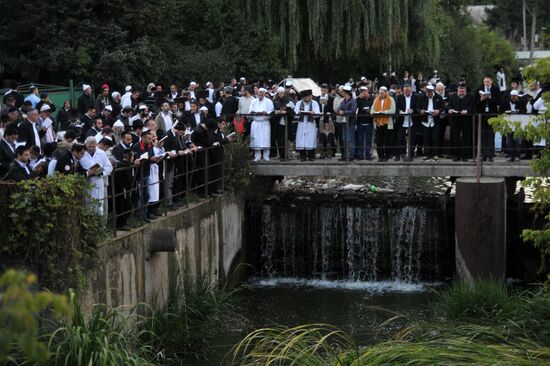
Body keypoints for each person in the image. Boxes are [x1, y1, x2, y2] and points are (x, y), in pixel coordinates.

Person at [80, 136, 113, 216]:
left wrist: (101, 172)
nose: (91, 148)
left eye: (93, 146)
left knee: (99, 204)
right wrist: (87, 173)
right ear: (86, 145)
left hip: (98, 181)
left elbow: (109, 167)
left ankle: (99, 224)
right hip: (86, 182)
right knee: (87, 204)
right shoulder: (82, 153)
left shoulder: (101, 153)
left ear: (96, 145)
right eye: (89, 146)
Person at [111, 131, 136, 229]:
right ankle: (120, 223)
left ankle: (125, 221)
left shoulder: (130, 148)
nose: (129, 141)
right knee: (123, 202)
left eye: (130, 140)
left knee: (128, 202)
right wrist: (128, 162)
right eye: (127, 139)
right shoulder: (117, 149)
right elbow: (117, 162)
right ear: (122, 139)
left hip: (129, 178)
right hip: (121, 180)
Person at [475, 76, 501, 162]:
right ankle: (484, 155)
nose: (486, 83)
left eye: (488, 82)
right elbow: (475, 102)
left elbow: (499, 101)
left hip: (492, 114)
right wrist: (481, 99)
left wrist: (490, 98)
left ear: (491, 81)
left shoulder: (495, 89)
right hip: (482, 115)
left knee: (491, 135)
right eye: (485, 82)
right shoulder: (479, 88)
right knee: (483, 135)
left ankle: (490, 155)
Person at [418, 85, 445, 161]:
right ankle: (427, 154)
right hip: (425, 120)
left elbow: (442, 107)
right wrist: (421, 111)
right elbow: (417, 107)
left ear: (433, 91)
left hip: (435, 120)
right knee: (426, 138)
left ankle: (435, 154)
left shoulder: (438, 97)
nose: (429, 95)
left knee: (435, 138)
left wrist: (438, 111)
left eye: (430, 93)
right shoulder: (421, 97)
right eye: (427, 93)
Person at [448, 85, 474, 161]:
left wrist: (467, 111)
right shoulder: (452, 96)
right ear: (457, 90)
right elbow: (449, 106)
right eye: (460, 91)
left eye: (463, 92)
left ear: (465, 91)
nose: (461, 93)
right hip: (455, 120)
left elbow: (472, 106)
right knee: (456, 138)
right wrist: (449, 110)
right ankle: (457, 155)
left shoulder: (471, 96)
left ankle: (465, 156)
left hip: (466, 120)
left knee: (466, 138)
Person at [500, 90, 527, 162]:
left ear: (517, 96)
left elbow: (524, 111)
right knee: (509, 140)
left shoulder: (521, 103)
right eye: (512, 96)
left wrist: (519, 111)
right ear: (510, 96)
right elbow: (501, 111)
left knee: (517, 140)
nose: (513, 98)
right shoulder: (505, 102)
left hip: (517, 123)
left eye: (515, 96)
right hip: (508, 123)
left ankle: (517, 155)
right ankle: (511, 155)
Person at [371, 86, 396, 161]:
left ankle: (387, 156)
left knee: (387, 140)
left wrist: (385, 112)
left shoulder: (391, 99)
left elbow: (393, 110)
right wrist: (374, 113)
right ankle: (380, 156)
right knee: (379, 141)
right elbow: (372, 110)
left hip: (387, 123)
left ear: (386, 93)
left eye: (382, 93)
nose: (380, 95)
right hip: (378, 122)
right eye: (379, 93)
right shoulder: (376, 99)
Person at [294, 89, 320, 161]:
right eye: (305, 97)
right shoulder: (299, 103)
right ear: (303, 97)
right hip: (301, 124)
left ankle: (311, 156)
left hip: (310, 124)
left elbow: (317, 114)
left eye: (309, 97)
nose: (307, 98)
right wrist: (299, 113)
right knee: (301, 139)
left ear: (311, 96)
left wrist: (313, 113)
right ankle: (303, 156)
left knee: (310, 139)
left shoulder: (314, 103)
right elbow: (295, 114)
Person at [249, 88, 274, 161]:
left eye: (262, 95)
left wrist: (266, 113)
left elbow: (271, 111)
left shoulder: (269, 102)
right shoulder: (253, 101)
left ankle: (266, 155)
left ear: (265, 94)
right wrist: (252, 112)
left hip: (264, 122)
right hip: (256, 122)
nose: (260, 96)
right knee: (256, 139)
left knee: (265, 139)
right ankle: (257, 156)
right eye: (259, 94)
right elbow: (250, 111)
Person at [395, 84, 418, 160]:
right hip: (402, 120)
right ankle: (403, 153)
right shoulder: (400, 97)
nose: (407, 92)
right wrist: (400, 111)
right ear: (403, 91)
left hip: (412, 120)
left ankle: (411, 154)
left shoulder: (415, 97)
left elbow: (418, 107)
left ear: (411, 90)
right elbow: (397, 107)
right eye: (405, 91)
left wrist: (413, 110)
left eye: (408, 91)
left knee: (412, 138)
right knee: (401, 138)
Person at [338, 85, 357, 161]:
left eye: (344, 93)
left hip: (351, 122)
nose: (343, 94)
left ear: (348, 93)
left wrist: (344, 112)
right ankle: (345, 155)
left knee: (351, 140)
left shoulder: (353, 101)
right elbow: (340, 108)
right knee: (344, 139)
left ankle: (351, 156)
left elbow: (353, 110)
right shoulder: (343, 101)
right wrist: (340, 111)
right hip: (344, 122)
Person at [355, 86, 375, 160]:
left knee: (369, 140)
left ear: (368, 91)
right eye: (362, 92)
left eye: (364, 91)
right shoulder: (359, 99)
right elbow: (353, 105)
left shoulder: (373, 98)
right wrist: (358, 98)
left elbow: (375, 107)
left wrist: (369, 110)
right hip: (360, 122)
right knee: (360, 140)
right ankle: (361, 155)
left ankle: (368, 155)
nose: (363, 93)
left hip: (369, 122)